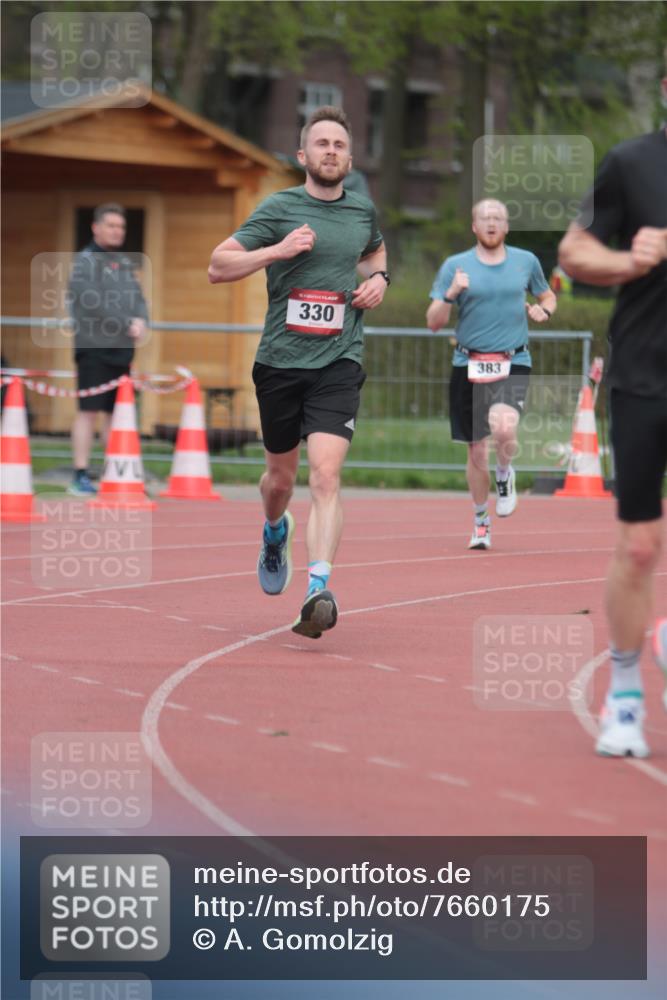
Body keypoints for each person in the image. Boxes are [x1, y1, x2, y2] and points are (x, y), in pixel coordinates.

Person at [208, 106, 388, 638]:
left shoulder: (362, 212)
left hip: (339, 359)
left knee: (326, 475)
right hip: (281, 363)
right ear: (302, 155)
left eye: (339, 144)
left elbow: (376, 254)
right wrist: (278, 250)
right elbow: (218, 266)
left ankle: (318, 589)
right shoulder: (279, 207)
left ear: (349, 158)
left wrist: (380, 280)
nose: (330, 151)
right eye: (321, 143)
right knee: (280, 483)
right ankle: (272, 530)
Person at [558, 89, 667, 757]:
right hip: (645, 375)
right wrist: (628, 261)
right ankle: (623, 691)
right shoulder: (631, 162)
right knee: (636, 546)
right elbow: (574, 252)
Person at [427, 199, 556, 550]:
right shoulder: (455, 266)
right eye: (484, 217)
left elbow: (547, 295)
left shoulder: (525, 261)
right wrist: (450, 294)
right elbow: (434, 323)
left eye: (497, 217)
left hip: (513, 358)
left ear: (507, 226)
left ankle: (505, 474)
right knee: (475, 452)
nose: (491, 223)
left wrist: (544, 309)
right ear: (474, 226)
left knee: (504, 426)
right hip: (468, 362)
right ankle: (481, 520)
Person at [67, 203, 149, 496]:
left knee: (116, 414)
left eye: (121, 227)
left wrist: (141, 320)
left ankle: (112, 473)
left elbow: (138, 298)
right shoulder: (85, 262)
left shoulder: (124, 262)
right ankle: (79, 474)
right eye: (111, 226)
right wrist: (126, 322)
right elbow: (92, 302)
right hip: (93, 348)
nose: (117, 231)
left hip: (122, 351)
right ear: (96, 227)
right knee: (89, 411)